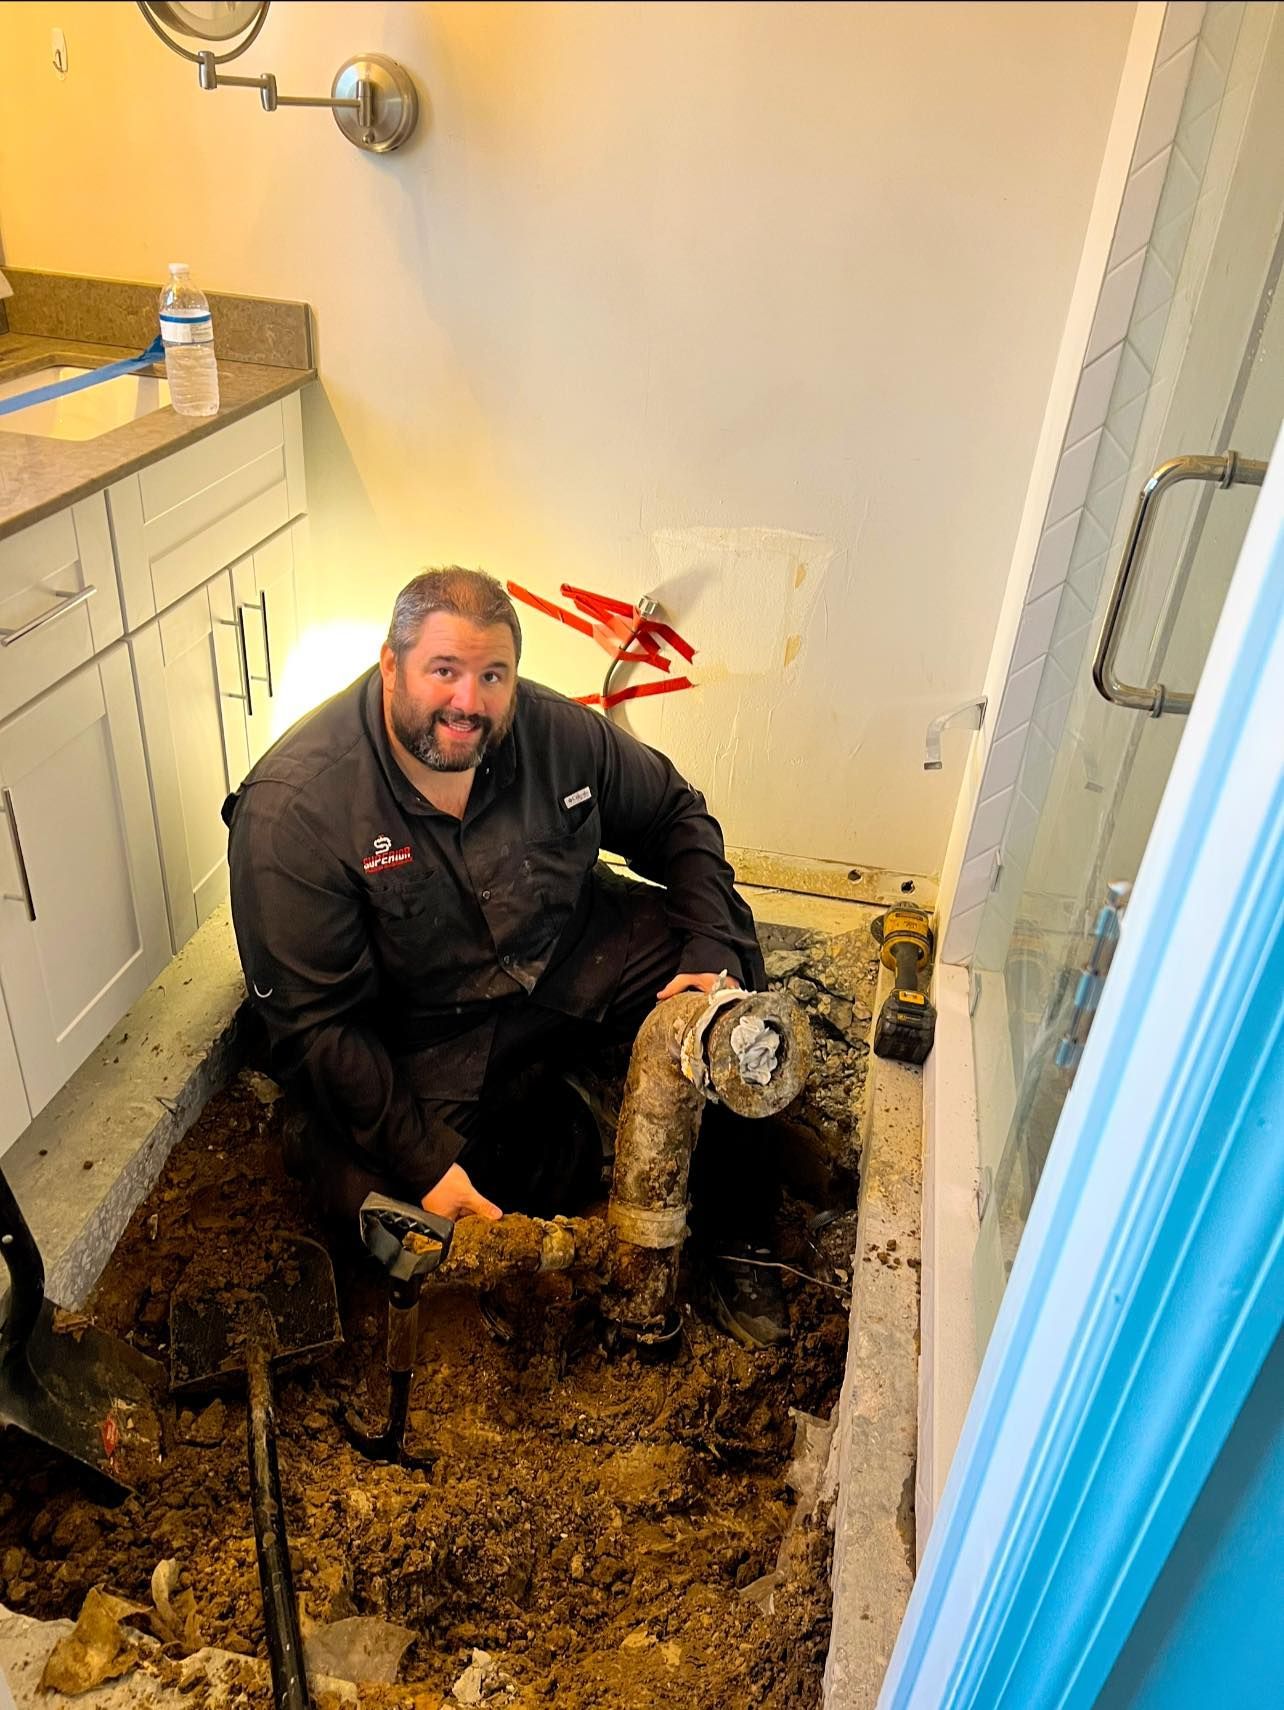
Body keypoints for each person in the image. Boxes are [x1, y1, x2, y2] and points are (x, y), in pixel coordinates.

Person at [223, 567, 789, 1346]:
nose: (469, 703)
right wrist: (425, 1165)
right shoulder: (297, 812)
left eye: (493, 676)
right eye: (444, 671)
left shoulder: (556, 733)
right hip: (434, 1028)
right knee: (414, 1197)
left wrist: (710, 953)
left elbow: (675, 815)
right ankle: (561, 1130)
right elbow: (319, 1029)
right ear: (391, 666)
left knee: (729, 985)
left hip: (569, 952)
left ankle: (736, 1231)